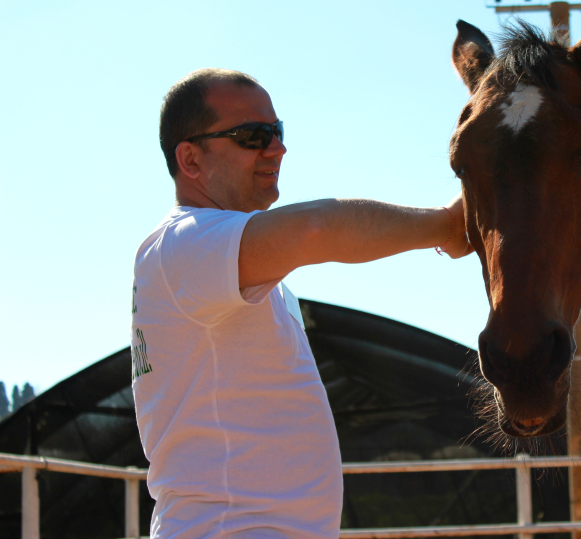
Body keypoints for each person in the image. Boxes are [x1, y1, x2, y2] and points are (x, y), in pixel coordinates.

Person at [131, 68, 470, 538]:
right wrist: (448, 225)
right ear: (190, 159)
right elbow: (317, 228)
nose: (277, 148)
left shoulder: (218, 264)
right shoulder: (184, 245)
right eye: (252, 135)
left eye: (277, 131)